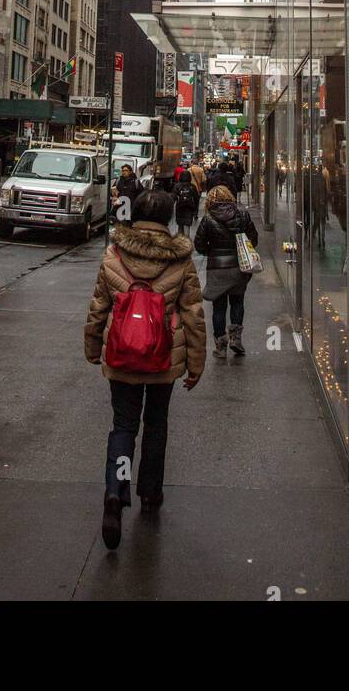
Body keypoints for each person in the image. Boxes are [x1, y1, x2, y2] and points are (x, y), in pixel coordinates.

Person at [84, 189, 206, 549]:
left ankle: (115, 491)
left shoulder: (113, 255)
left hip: (121, 355)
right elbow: (194, 316)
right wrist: (196, 365)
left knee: (123, 426)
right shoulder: (181, 261)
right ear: (168, 218)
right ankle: (150, 493)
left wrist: (93, 347)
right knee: (156, 423)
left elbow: (98, 308)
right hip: (163, 357)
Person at [195, 185, 259, 359]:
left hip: (217, 268)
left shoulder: (208, 219)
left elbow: (198, 244)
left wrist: (211, 251)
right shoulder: (242, 215)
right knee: (237, 302)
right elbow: (253, 239)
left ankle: (220, 346)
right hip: (240, 266)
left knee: (218, 307)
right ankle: (236, 338)